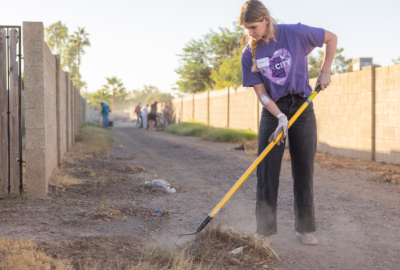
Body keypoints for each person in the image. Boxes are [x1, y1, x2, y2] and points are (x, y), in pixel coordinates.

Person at [238, 0, 337, 246]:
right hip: (273, 110)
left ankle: (304, 229)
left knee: (304, 169)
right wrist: (279, 116)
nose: (250, 33)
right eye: (246, 28)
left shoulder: (296, 32)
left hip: (302, 106)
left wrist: (325, 70)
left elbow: (331, 37)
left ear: (265, 20)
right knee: (266, 170)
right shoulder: (249, 52)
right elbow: (261, 93)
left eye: (253, 27)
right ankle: (265, 231)